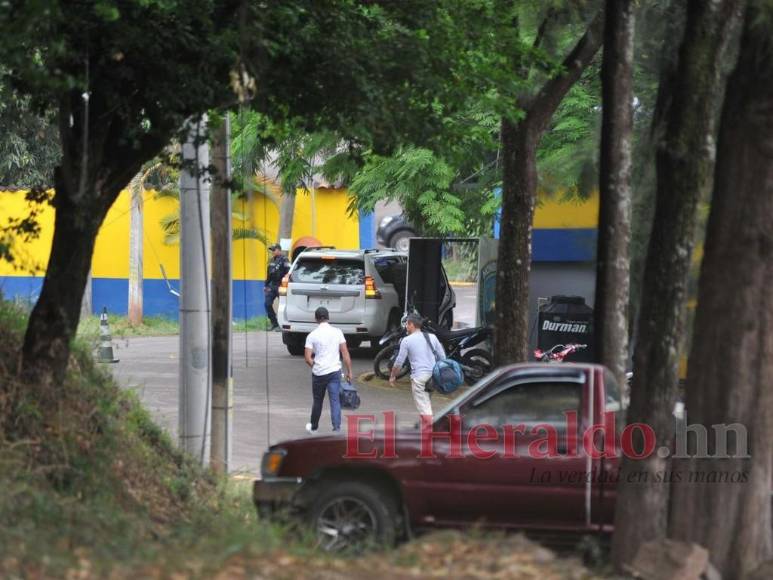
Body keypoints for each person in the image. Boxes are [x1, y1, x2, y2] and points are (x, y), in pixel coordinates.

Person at [304, 306, 353, 433]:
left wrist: (315, 367)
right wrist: (349, 371)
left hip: (318, 374)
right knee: (335, 401)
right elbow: (345, 353)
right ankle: (336, 428)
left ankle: (314, 427)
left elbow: (307, 358)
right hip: (334, 372)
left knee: (317, 401)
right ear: (328, 318)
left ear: (316, 319)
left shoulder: (312, 335)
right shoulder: (338, 332)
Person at [389, 313, 445, 417]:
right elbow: (442, 358)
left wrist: (392, 376)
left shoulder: (406, 341)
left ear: (411, 324)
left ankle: (430, 430)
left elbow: (399, 362)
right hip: (433, 377)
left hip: (419, 379)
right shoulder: (432, 337)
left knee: (425, 411)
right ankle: (426, 429)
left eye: (406, 324)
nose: (406, 326)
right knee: (426, 405)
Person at [264, 243, 290, 331]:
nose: (272, 252)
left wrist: (285, 284)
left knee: (284, 305)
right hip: (272, 285)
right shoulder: (271, 260)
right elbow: (269, 274)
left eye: (273, 250)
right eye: (271, 250)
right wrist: (266, 285)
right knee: (267, 304)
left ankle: (282, 324)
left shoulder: (285, 259)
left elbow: (288, 272)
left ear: (279, 250)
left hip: (281, 285)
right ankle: (274, 323)